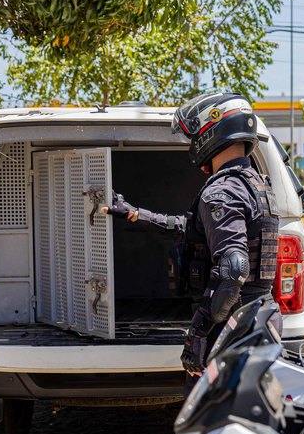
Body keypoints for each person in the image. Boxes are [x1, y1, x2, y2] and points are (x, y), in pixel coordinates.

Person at [102, 93, 278, 382]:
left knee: (211, 423)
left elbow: (233, 270)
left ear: (212, 131)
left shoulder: (222, 192)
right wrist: (135, 214)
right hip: (258, 319)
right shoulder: (256, 185)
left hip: (230, 329)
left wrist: (198, 333)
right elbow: (191, 229)